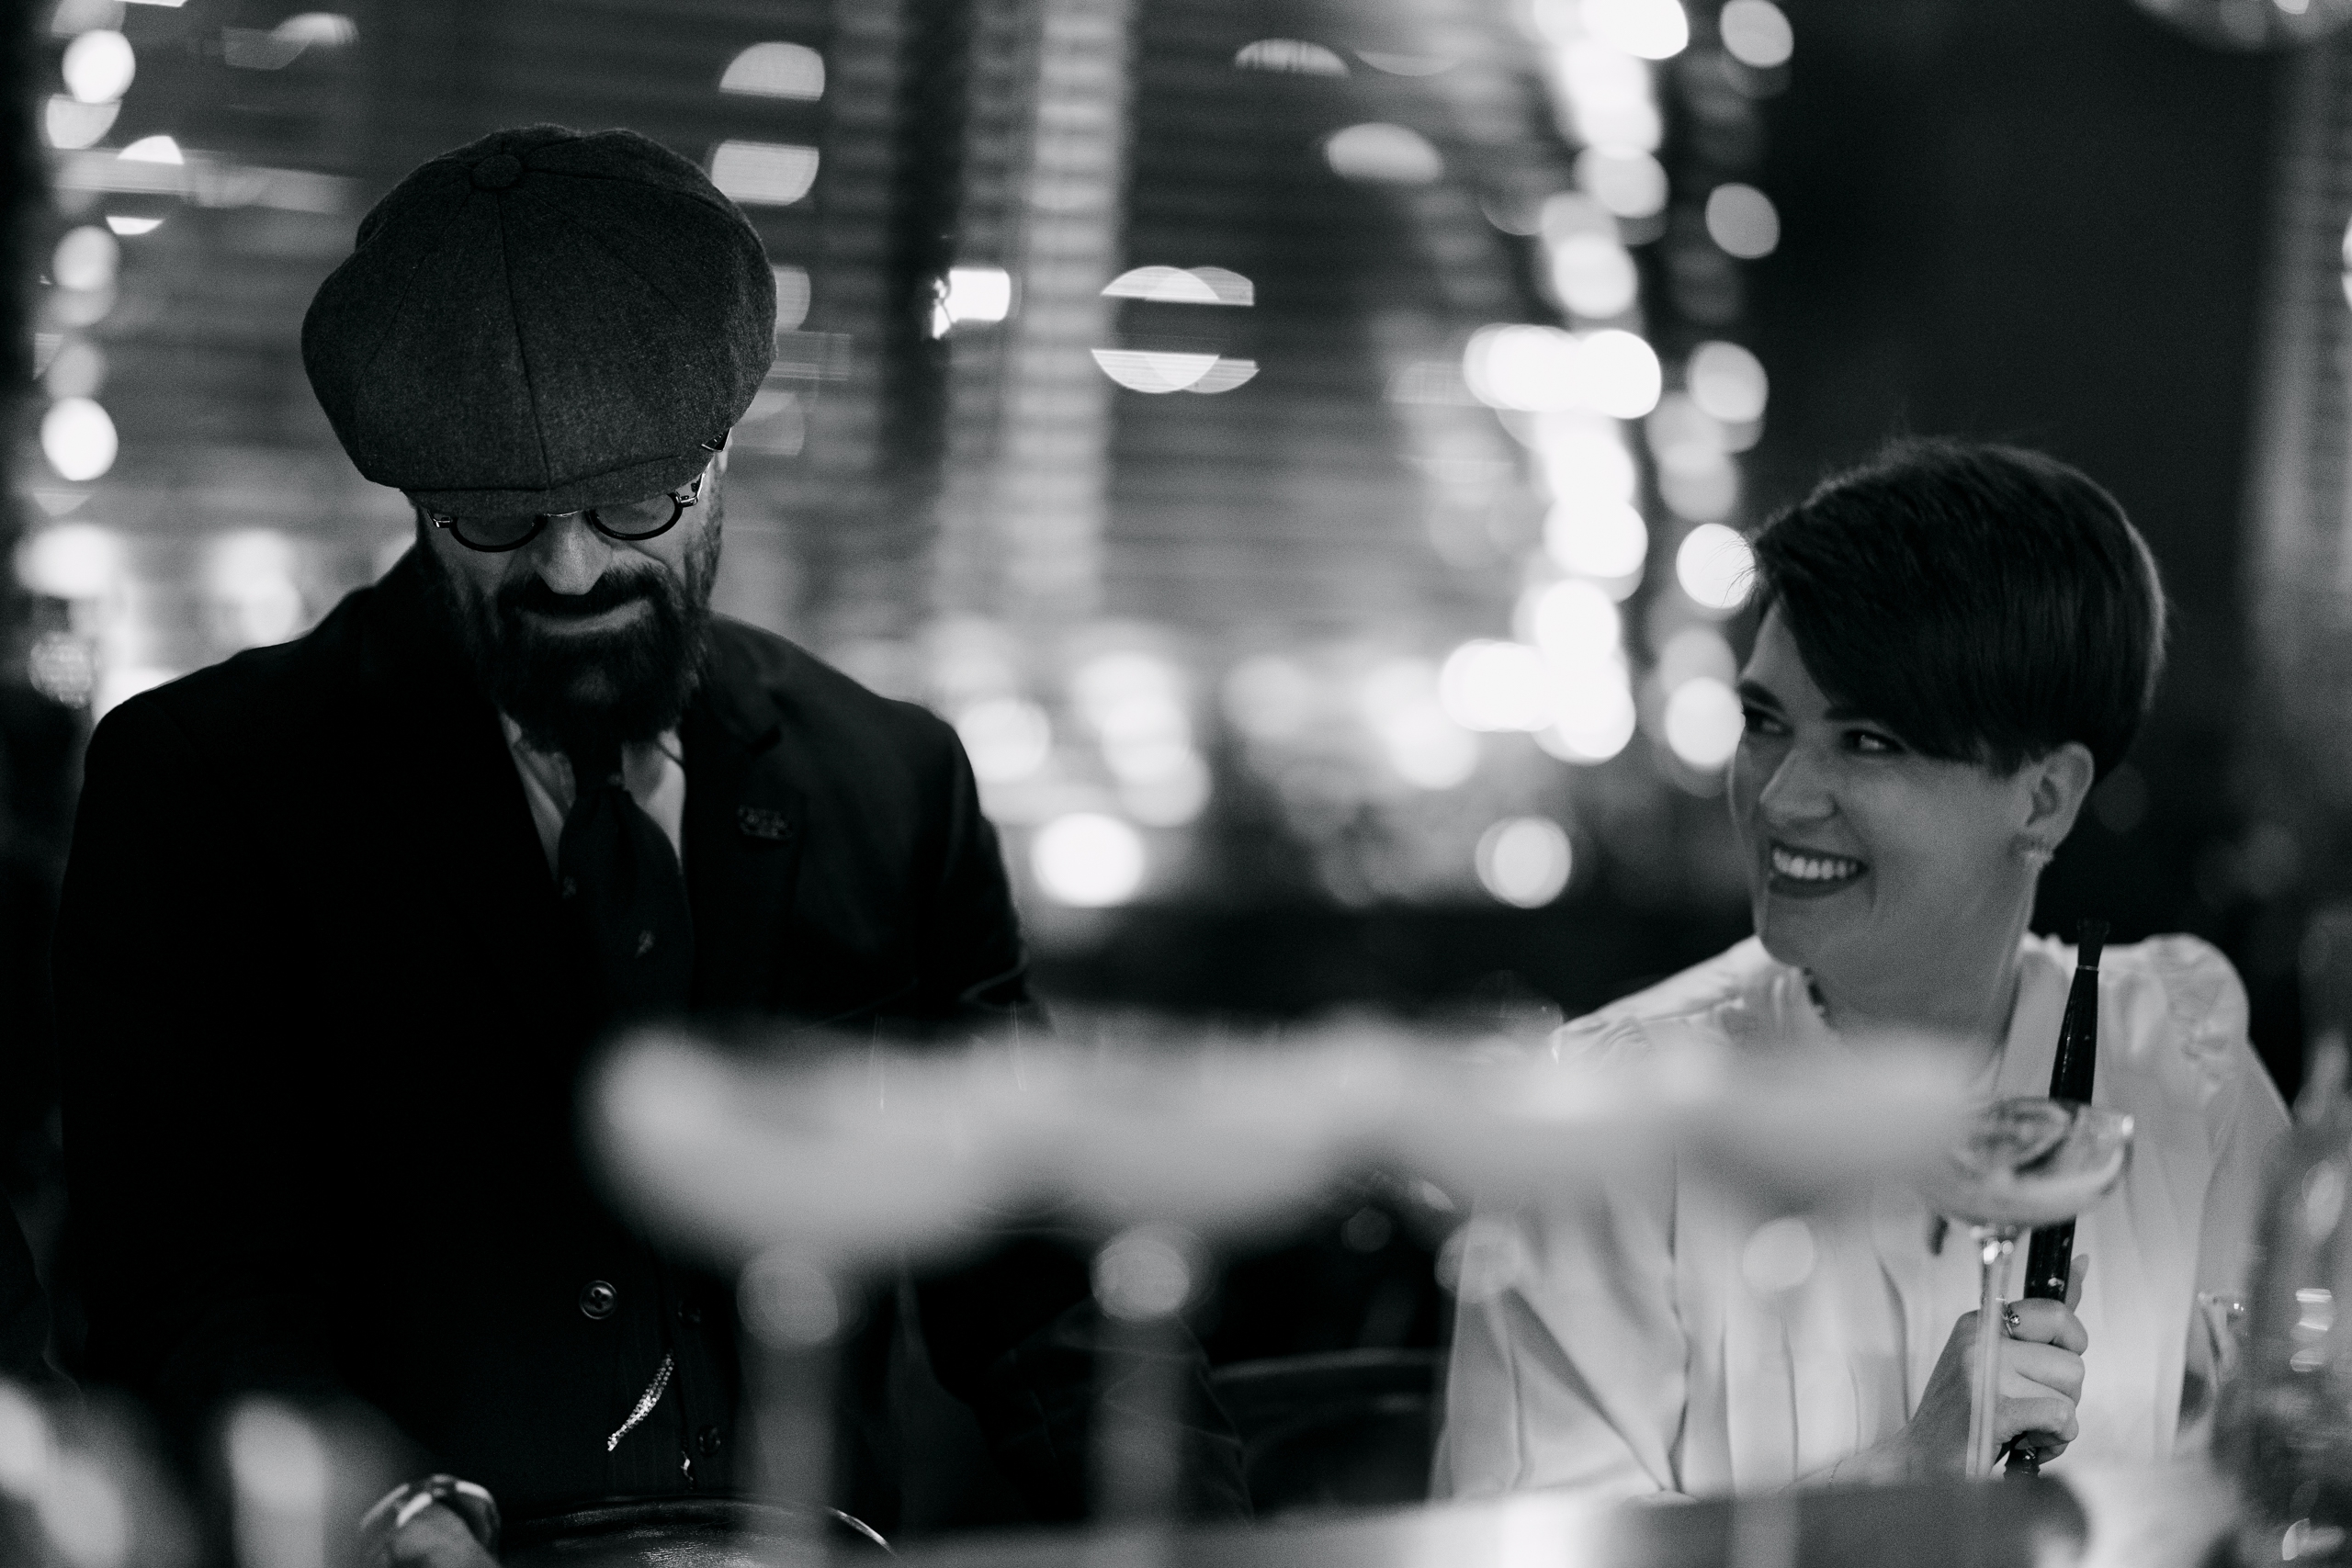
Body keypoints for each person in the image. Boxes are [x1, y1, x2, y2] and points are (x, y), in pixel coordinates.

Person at [53, 125, 1239, 1562]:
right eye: (494, 519)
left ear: (720, 452)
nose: (569, 568)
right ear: (417, 501)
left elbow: (1033, 1268)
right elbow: (178, 1278)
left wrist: (1209, 1535)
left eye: (635, 501)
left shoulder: (894, 777)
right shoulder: (208, 783)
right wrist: (388, 1518)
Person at [1439, 440, 2290, 1498]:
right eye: (1763, 723)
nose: (1780, 797)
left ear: (2042, 800)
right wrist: (1903, 1471)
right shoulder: (1611, 1112)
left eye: (1870, 742)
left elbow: (2284, 1439)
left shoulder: (2176, 1063)